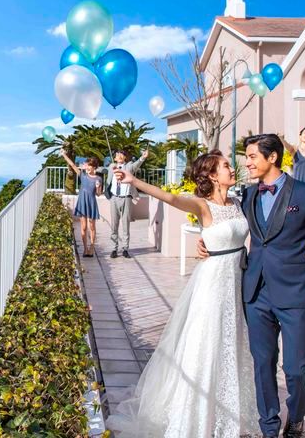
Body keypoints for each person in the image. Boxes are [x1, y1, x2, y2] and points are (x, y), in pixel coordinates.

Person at [198, 134, 305, 438]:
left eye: (252, 156)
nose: (247, 163)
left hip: (294, 292)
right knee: (262, 363)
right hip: (256, 292)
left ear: (272, 158)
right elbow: (222, 220)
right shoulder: (247, 196)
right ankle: (268, 425)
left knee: (296, 367)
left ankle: (296, 418)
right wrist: (204, 242)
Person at [106, 151, 258, 437]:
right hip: (213, 284)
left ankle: (227, 416)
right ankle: (195, 419)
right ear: (212, 175)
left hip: (236, 281)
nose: (232, 169)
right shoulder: (202, 205)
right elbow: (171, 198)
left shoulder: (239, 202)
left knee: (230, 344)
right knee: (206, 345)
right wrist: (133, 180)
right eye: (226, 166)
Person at [104, 148, 148, 259]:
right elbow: (103, 169)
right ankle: (114, 248)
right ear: (114, 158)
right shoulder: (112, 167)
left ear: (125, 157)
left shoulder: (128, 166)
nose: (119, 155)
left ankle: (125, 249)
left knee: (126, 224)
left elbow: (136, 165)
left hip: (126, 198)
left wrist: (143, 157)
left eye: (122, 154)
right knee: (114, 224)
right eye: (117, 154)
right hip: (114, 198)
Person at [60, 150, 102, 257]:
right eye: (86, 165)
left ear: (94, 167)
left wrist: (98, 187)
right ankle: (85, 249)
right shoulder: (82, 175)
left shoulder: (98, 178)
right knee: (83, 227)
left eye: (89, 166)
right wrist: (64, 155)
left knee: (92, 227)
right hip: (82, 202)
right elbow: (73, 165)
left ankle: (91, 248)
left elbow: (98, 194)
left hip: (91, 203)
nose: (86, 167)